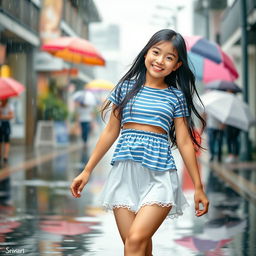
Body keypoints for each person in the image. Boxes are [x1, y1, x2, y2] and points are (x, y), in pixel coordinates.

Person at [70, 29, 209, 255]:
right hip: (124, 175)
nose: (160, 60)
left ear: (177, 65)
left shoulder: (175, 96)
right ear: (146, 54)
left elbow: (184, 141)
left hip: (160, 176)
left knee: (134, 241)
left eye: (169, 57)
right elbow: (110, 132)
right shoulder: (125, 88)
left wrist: (198, 187)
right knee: (138, 246)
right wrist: (87, 170)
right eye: (156, 52)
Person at [0, 98, 14, 164]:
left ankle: (6, 155)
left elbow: (11, 116)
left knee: (6, 140)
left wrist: (3, 116)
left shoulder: (9, 106)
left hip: (6, 124)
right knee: (0, 140)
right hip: (0, 124)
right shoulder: (0, 106)